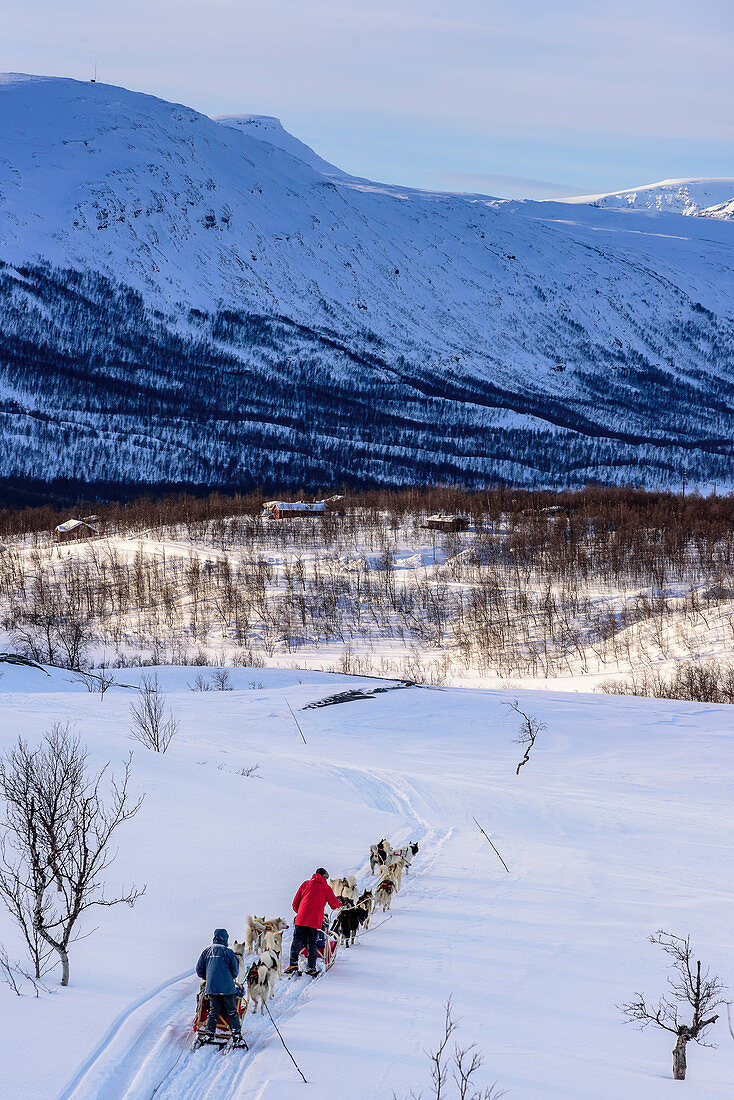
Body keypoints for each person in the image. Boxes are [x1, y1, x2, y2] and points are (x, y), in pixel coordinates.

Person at [284, 868, 341, 976]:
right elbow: (334, 904)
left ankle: (293, 963)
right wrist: (339, 904)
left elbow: (295, 903)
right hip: (314, 920)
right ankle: (311, 967)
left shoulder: (305, 884)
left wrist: (301, 912)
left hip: (301, 918)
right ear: (324, 876)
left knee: (297, 940)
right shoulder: (326, 888)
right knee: (312, 943)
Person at [195, 927, 243, 1042]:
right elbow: (235, 971)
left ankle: (209, 1034)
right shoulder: (229, 952)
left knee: (213, 1011)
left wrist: (207, 978)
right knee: (232, 1011)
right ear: (225, 939)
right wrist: (230, 977)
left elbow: (199, 969)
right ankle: (236, 1034)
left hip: (212, 988)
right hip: (228, 988)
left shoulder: (206, 952)